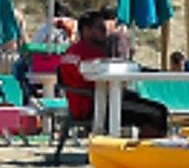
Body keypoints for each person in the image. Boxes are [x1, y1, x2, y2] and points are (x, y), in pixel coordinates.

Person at [57, 9, 168, 138]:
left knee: (145, 106)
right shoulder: (92, 53)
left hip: (79, 108)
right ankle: (148, 154)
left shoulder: (70, 52)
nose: (105, 33)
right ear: (86, 30)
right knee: (158, 112)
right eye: (101, 29)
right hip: (99, 107)